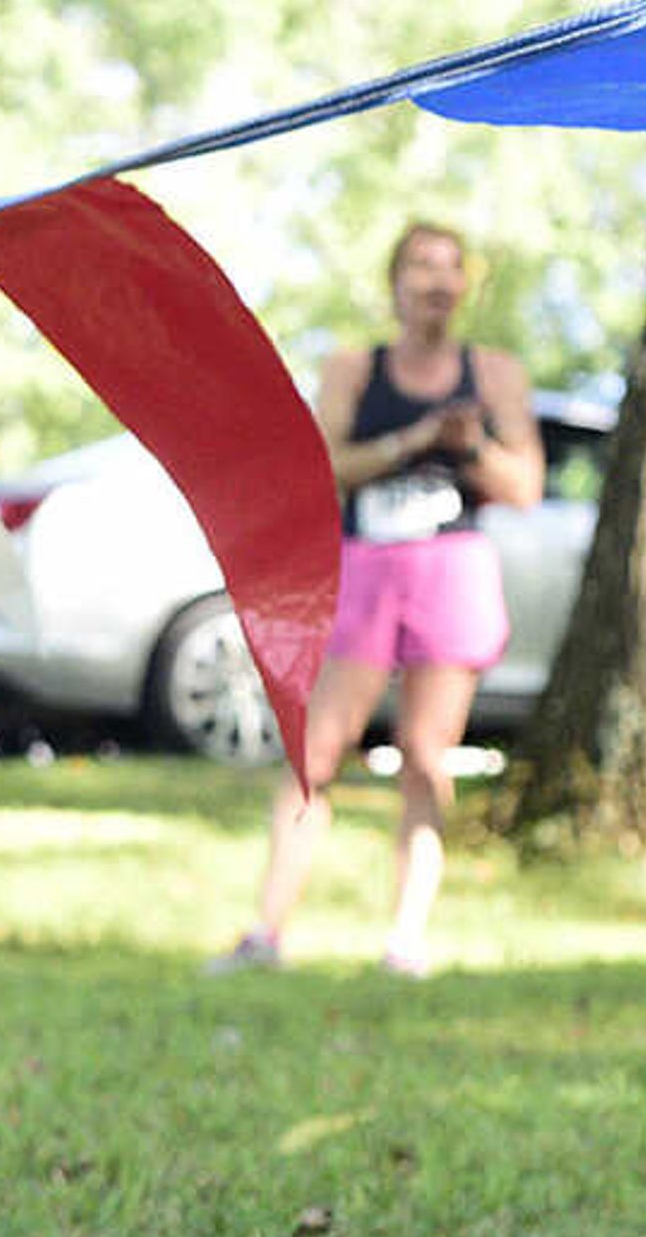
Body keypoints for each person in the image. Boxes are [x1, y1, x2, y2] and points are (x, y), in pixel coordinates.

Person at [215, 220, 539, 977]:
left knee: (428, 759)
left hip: (451, 572)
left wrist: (470, 447)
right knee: (317, 751)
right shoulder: (354, 369)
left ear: (464, 286)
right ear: (395, 282)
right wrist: (412, 438)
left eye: (451, 267)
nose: (436, 280)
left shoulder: (493, 373)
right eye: (421, 265)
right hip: (365, 570)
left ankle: (406, 942)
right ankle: (267, 932)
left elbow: (524, 486)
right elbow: (324, 465)